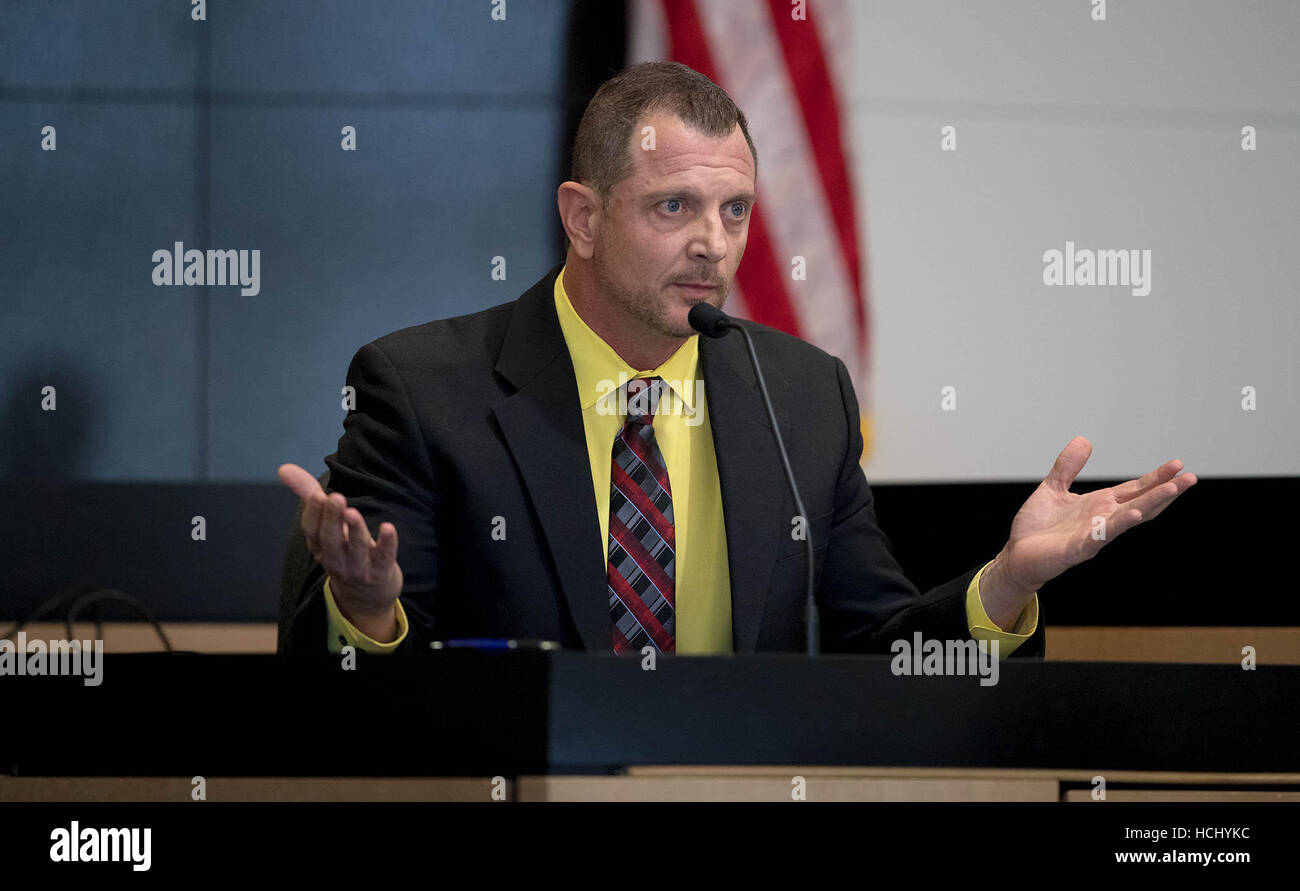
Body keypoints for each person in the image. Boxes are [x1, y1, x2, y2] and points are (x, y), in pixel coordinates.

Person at [277, 61, 1195, 656]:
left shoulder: (798, 396)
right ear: (583, 217)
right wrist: (366, 612)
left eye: (736, 211)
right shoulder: (425, 389)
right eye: (673, 207)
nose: (714, 244)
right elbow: (348, 704)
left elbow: (872, 646)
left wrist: (1003, 582)